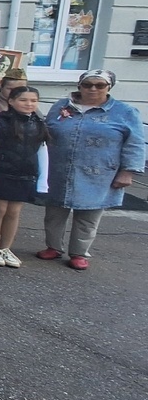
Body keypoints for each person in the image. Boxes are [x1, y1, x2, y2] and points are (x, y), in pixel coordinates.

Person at [39, 69, 145, 270]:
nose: (93, 89)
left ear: (109, 87)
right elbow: (46, 130)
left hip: (99, 171)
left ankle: (79, 253)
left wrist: (128, 171)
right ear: (80, 86)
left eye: (100, 85)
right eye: (87, 85)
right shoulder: (62, 106)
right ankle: (53, 246)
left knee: (88, 215)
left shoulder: (125, 112)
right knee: (54, 211)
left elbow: (136, 143)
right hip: (59, 168)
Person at [0, 86, 49, 268]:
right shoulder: (0, 122)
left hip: (24, 174)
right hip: (2, 172)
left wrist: (43, 179)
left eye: (33, 100)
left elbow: (42, 152)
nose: (29, 104)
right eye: (23, 100)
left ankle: (6, 247)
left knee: (14, 212)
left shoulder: (39, 123)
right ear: (11, 101)